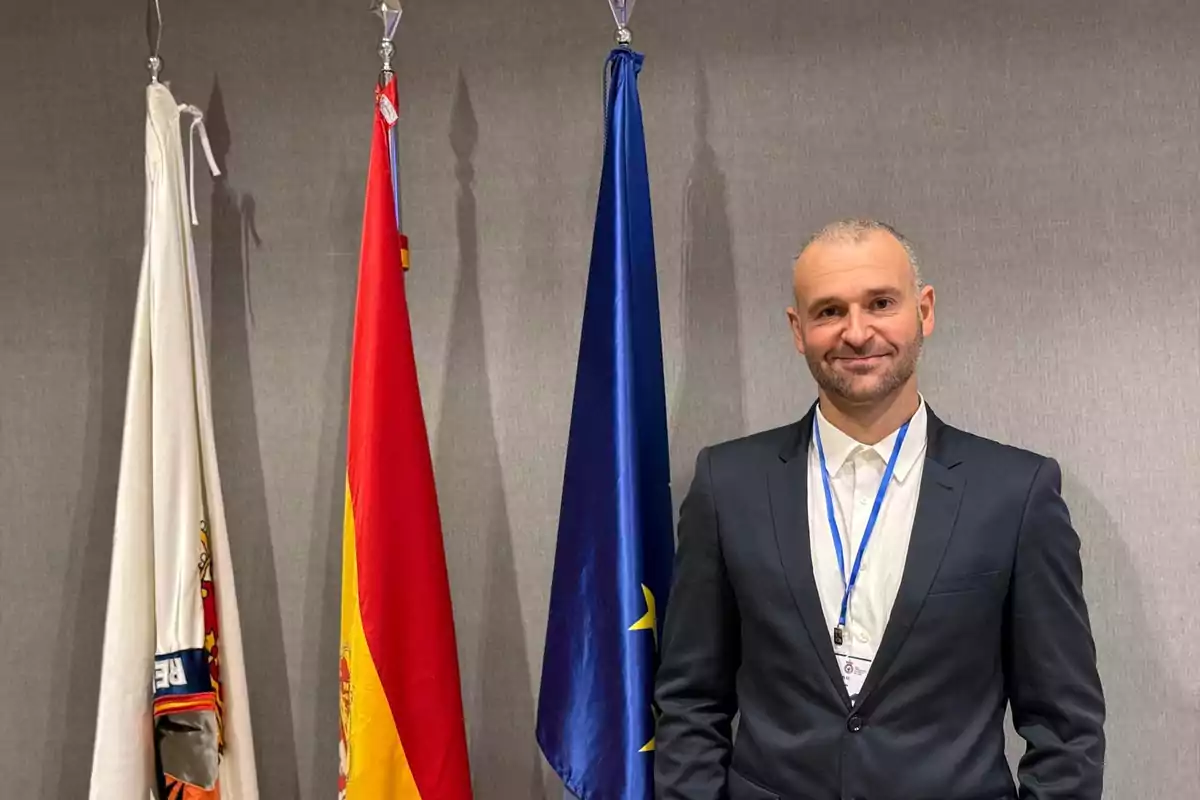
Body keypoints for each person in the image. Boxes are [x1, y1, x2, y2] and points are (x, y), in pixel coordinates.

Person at [653, 219, 1105, 800]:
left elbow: (1066, 727)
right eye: (829, 311)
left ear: (925, 310)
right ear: (798, 329)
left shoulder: (1017, 493)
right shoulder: (726, 484)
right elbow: (690, 701)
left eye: (881, 303)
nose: (857, 332)